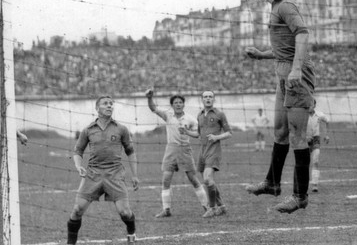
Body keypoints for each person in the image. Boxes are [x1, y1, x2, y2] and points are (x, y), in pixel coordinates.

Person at [244, 0, 315, 214]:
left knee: (297, 135)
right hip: (283, 71)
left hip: (296, 75)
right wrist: (263, 55)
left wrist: (296, 70)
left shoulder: (285, 6)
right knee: (280, 131)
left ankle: (300, 196)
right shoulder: (274, 8)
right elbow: (284, 48)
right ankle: (273, 183)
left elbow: (303, 35)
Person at [66, 95, 139, 245]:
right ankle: (70, 243)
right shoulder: (88, 130)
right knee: (77, 210)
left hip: (115, 174)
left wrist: (135, 176)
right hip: (93, 174)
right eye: (105, 104)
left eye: (111, 104)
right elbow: (77, 151)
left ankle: (131, 234)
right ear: (97, 108)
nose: (109, 106)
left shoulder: (121, 129)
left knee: (125, 212)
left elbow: (130, 151)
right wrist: (79, 166)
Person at [144, 87, 208, 218]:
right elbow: (153, 109)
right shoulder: (168, 115)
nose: (178, 104)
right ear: (172, 105)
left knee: (193, 179)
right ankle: (166, 210)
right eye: (176, 103)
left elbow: (198, 134)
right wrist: (149, 98)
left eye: (180, 102)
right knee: (166, 179)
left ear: (183, 104)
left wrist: (187, 132)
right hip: (171, 149)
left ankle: (207, 207)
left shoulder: (190, 119)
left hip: (185, 149)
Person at [191, 91, 232, 218]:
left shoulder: (219, 114)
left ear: (213, 99)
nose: (208, 99)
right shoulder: (199, 114)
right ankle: (222, 207)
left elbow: (229, 133)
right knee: (209, 181)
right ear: (202, 99)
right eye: (205, 97)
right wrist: (185, 131)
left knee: (207, 179)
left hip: (214, 150)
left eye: (210, 97)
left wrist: (216, 137)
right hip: (203, 151)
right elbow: (198, 134)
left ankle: (212, 208)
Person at [306, 100, 329, 193]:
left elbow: (327, 121)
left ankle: (314, 184)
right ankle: (303, 184)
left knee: (315, 161)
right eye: (308, 105)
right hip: (304, 141)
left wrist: (326, 135)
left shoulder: (319, 115)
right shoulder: (302, 116)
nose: (309, 106)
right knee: (304, 163)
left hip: (316, 139)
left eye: (311, 105)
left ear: (314, 105)